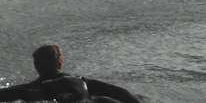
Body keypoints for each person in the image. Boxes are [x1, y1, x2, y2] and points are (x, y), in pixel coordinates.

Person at [0, 45, 141, 103]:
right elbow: (120, 93)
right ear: (59, 65)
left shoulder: (28, 89)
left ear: (36, 66)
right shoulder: (79, 82)